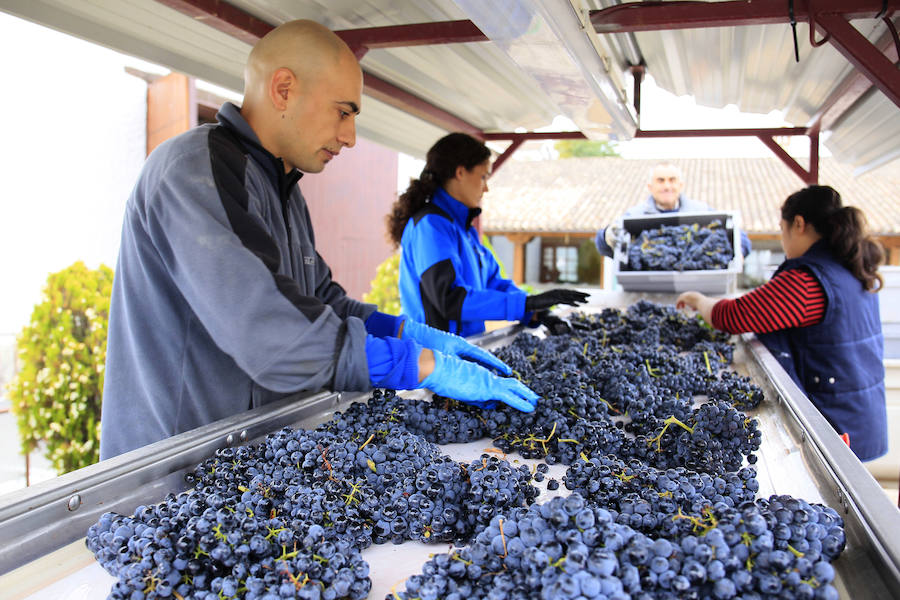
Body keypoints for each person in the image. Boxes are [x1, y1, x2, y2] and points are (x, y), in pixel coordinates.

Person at [99, 21, 539, 460]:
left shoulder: (284, 187)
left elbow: (320, 299)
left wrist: (407, 331)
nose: (349, 137)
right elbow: (270, 333)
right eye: (343, 112)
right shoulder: (194, 171)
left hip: (245, 460)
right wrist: (417, 365)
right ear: (284, 89)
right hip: (170, 476)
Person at [676, 185, 887, 462]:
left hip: (835, 422)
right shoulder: (847, 265)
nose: (782, 239)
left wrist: (700, 301)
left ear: (798, 224)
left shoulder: (810, 280)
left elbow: (734, 316)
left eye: (782, 228)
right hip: (857, 411)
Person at [386, 132, 589, 338]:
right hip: (430, 357)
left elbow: (495, 284)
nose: (486, 187)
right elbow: (449, 299)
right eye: (483, 176)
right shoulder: (431, 227)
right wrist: (526, 303)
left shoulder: (466, 233)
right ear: (460, 172)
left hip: (462, 352)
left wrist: (537, 312)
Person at [594, 162, 752, 259]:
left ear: (680, 185)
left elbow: (740, 238)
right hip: (647, 290)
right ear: (650, 187)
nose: (667, 186)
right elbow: (602, 244)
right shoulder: (634, 216)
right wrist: (607, 235)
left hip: (693, 291)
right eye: (660, 181)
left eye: (672, 180)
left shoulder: (701, 211)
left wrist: (739, 252)